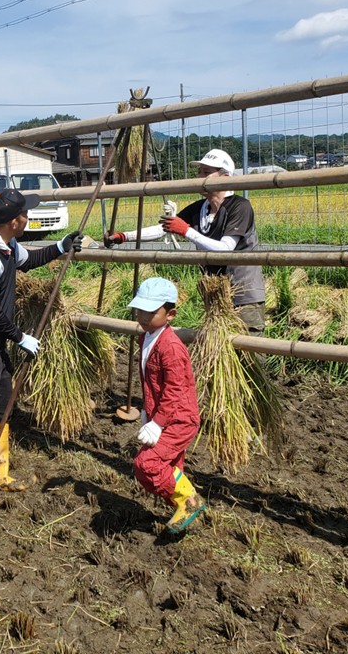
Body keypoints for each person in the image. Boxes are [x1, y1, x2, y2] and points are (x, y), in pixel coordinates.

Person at [0, 188, 84, 491]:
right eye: (26, 213)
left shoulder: (7, 246)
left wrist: (61, 246)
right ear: (14, 221)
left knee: (1, 403)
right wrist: (20, 336)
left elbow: (29, 260)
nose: (28, 217)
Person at [105, 148, 267, 333]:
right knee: (219, 343)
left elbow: (225, 249)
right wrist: (124, 236)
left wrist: (186, 231)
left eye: (206, 172)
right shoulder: (200, 208)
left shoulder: (240, 207)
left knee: (249, 349)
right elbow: (163, 228)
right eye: (199, 172)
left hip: (243, 294)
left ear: (225, 177)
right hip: (214, 293)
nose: (199, 177)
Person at [128, 277, 206, 534]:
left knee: (146, 464)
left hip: (178, 419)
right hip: (162, 414)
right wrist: (147, 412)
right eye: (140, 310)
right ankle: (182, 508)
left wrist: (158, 422)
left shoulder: (171, 347)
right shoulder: (147, 338)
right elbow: (152, 383)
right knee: (171, 468)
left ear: (170, 314)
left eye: (151, 312)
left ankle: (189, 500)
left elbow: (175, 390)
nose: (143, 316)